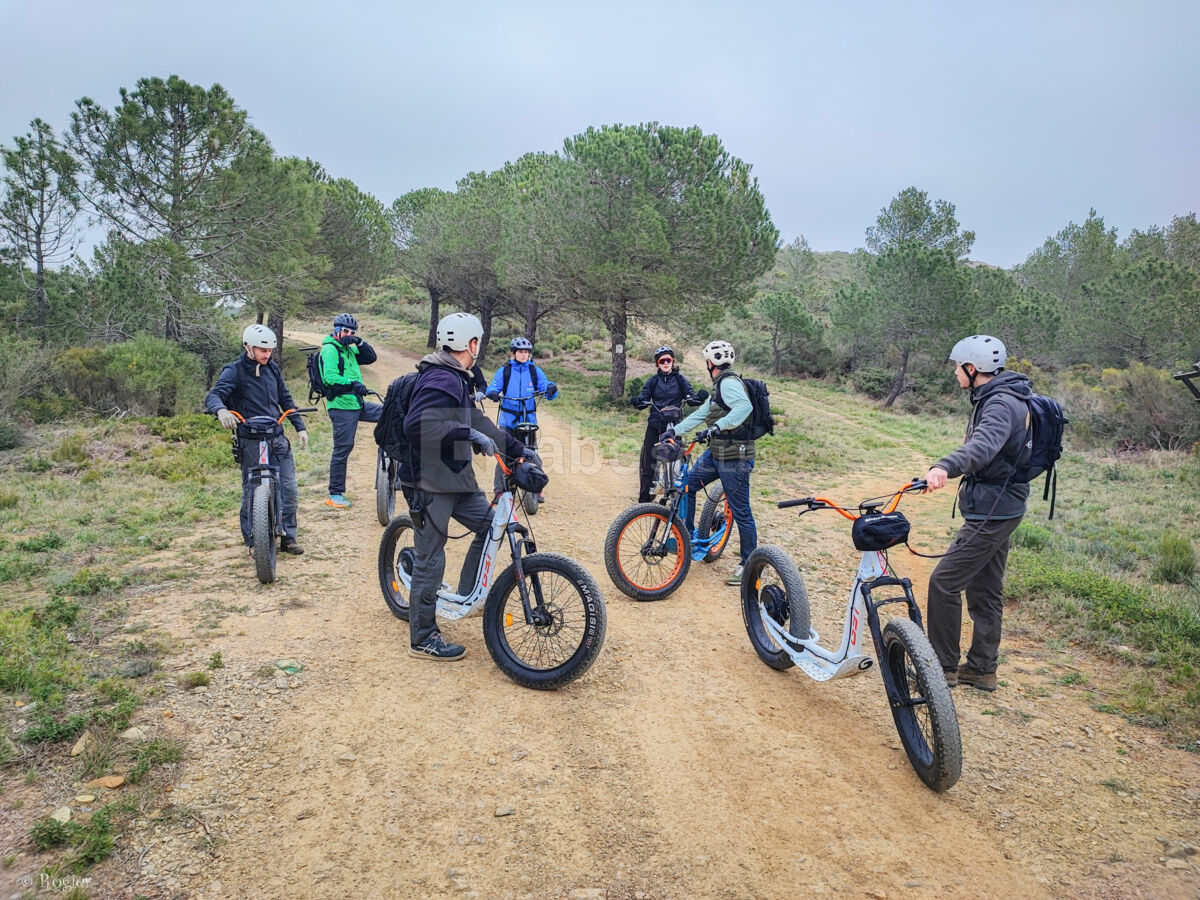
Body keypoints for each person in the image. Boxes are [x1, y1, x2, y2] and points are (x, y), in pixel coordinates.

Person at [402, 313, 526, 661]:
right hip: (429, 481)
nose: (479, 347)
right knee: (430, 557)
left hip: (456, 478)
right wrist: (465, 433)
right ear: (470, 344)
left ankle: (466, 595)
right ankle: (422, 638)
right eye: (478, 342)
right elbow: (417, 425)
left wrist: (518, 450)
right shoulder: (440, 378)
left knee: (490, 527)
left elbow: (479, 421)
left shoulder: (458, 377)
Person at [923, 335, 1033, 692]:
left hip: (993, 510)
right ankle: (982, 669)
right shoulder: (1001, 396)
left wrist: (944, 466)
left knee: (944, 583)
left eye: (958, 366)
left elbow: (983, 446)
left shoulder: (1000, 403)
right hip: (1002, 506)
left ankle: (941, 668)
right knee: (985, 589)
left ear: (973, 368)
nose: (955, 372)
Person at [206, 323, 309, 554]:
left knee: (289, 489)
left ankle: (288, 538)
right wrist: (221, 411)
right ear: (248, 347)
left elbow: (285, 398)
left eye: (270, 350)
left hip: (276, 438)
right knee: (252, 491)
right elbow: (215, 395)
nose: (267, 354)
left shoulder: (273, 369)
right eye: (263, 350)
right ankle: (254, 542)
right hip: (251, 441)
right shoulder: (234, 370)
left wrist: (299, 427)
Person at [667, 340, 758, 585]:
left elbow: (744, 407)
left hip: (735, 458)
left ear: (710, 363)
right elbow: (701, 414)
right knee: (687, 484)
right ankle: (686, 535)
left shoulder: (729, 383)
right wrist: (675, 431)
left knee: (741, 511)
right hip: (716, 453)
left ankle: (749, 565)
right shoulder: (719, 385)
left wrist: (718, 426)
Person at [320, 312, 381, 509]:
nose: (349, 335)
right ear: (336, 330)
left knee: (388, 413)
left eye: (352, 332)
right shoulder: (330, 349)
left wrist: (359, 342)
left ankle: (390, 459)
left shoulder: (347, 350)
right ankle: (335, 494)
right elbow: (330, 377)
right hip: (341, 407)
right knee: (343, 448)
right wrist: (353, 384)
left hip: (356, 404)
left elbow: (370, 357)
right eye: (346, 331)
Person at [631, 345, 705, 503]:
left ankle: (675, 500)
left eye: (668, 360)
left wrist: (699, 398)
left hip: (674, 426)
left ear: (673, 361)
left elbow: (690, 396)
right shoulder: (652, 381)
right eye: (662, 361)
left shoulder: (680, 380)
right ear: (657, 363)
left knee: (676, 461)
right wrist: (638, 401)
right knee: (648, 462)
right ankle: (643, 501)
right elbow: (643, 398)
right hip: (655, 424)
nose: (665, 363)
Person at [485, 337, 557, 499]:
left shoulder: (534, 371)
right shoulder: (505, 371)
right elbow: (494, 385)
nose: (524, 355)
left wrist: (550, 388)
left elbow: (545, 384)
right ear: (514, 353)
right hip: (508, 421)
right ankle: (500, 491)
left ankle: (536, 489)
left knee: (532, 453)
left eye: (526, 352)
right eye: (520, 352)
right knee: (504, 456)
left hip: (528, 420)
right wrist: (493, 393)